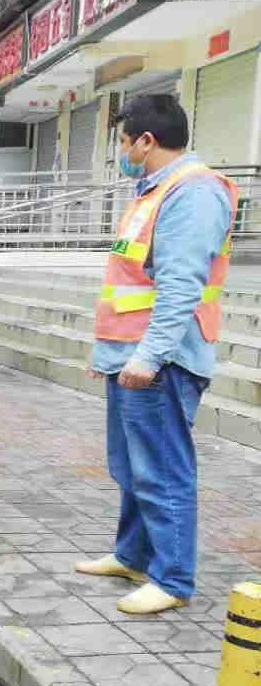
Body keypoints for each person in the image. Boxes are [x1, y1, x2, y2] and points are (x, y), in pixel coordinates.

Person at [76, 94, 236, 616]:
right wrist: (111, 353)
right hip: (127, 355)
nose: (121, 152)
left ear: (146, 141)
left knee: (162, 469)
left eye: (123, 142)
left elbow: (180, 286)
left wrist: (148, 357)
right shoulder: (154, 192)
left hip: (159, 362)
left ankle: (172, 577)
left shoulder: (193, 193)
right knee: (130, 465)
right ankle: (133, 555)